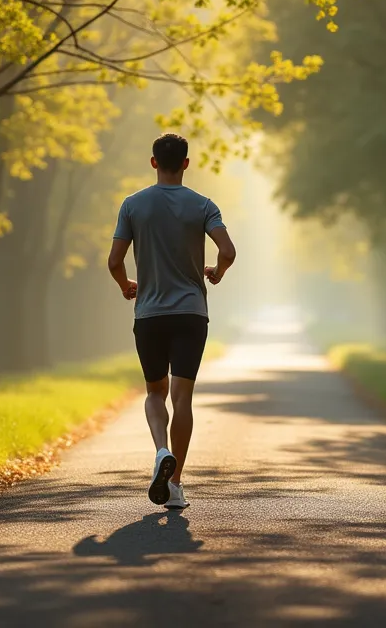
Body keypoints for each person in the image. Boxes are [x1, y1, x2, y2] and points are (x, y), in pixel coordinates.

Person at [107, 133, 236, 510]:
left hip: (149, 314)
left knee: (154, 393)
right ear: (185, 163)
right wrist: (218, 272)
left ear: (153, 162)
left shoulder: (133, 206)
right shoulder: (203, 205)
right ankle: (176, 482)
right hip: (191, 313)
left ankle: (161, 449)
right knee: (182, 397)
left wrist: (125, 286)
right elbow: (227, 250)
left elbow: (115, 261)